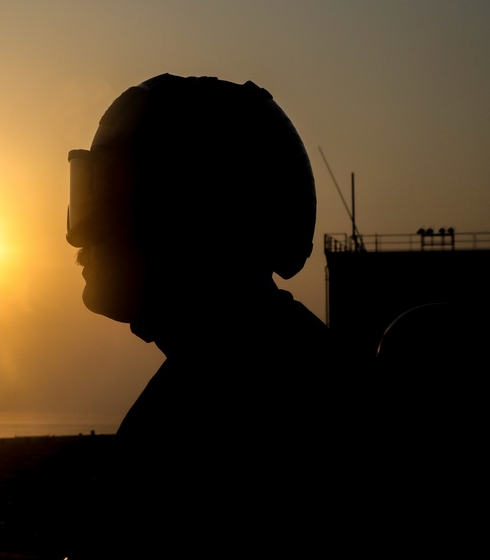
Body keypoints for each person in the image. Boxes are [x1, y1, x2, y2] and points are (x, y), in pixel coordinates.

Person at [65, 74, 351, 553]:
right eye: (85, 191)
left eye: (109, 192)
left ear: (191, 211)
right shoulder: (251, 367)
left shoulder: (249, 402)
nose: (80, 236)